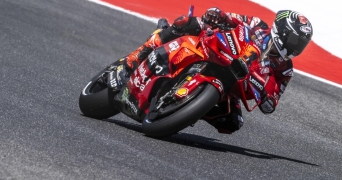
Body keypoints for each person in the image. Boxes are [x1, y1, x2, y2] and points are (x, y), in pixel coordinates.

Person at [122, 7, 313, 134]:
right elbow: (230, 18)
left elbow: (271, 104)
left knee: (232, 123)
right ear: (281, 31)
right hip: (215, 49)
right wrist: (218, 15)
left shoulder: (285, 69)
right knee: (187, 22)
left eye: (301, 45)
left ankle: (189, 108)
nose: (296, 48)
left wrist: (264, 94)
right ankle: (139, 54)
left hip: (233, 86)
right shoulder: (258, 25)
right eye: (295, 41)